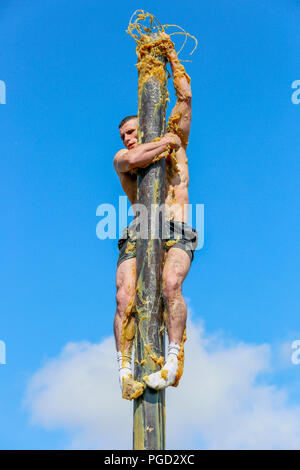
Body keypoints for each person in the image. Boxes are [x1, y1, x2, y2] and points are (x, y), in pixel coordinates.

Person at [113, 33, 198, 395]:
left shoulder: (177, 140)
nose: (128, 138)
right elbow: (133, 159)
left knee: (170, 286)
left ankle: (174, 358)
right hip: (138, 230)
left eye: (132, 131)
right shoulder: (124, 159)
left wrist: (170, 56)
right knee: (124, 296)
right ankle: (124, 366)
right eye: (123, 135)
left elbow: (185, 97)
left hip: (176, 228)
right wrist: (162, 144)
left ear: (143, 125)